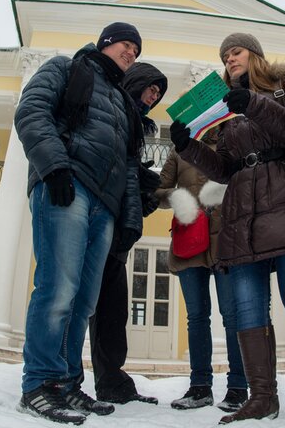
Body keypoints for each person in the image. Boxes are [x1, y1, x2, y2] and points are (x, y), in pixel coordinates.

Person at [170, 33, 285, 423]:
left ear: (254, 55)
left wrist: (256, 104)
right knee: (246, 309)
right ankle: (262, 397)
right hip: (241, 211)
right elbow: (224, 168)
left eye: (235, 51)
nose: (229, 58)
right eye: (224, 55)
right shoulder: (224, 108)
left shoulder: (284, 84)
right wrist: (188, 147)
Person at [14, 22, 145, 425]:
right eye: (126, 45)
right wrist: (54, 167)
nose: (131, 54)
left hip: (103, 206)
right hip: (67, 186)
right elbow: (32, 110)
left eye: (136, 51)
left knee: (84, 300)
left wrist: (127, 219)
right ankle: (40, 383)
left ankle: (68, 383)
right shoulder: (65, 68)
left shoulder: (123, 104)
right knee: (58, 288)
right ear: (106, 43)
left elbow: (126, 164)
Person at [89, 62, 168, 406]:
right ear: (135, 82)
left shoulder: (137, 125)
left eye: (159, 93)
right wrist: (134, 177)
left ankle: (112, 382)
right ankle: (59, 378)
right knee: (82, 303)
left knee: (113, 309)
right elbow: (109, 158)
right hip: (98, 216)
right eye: (151, 88)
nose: (154, 96)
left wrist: (141, 193)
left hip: (119, 225)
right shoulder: (116, 108)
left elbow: (125, 169)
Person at [154, 126, 248, 413]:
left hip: (227, 240)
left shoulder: (234, 143)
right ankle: (200, 386)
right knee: (196, 316)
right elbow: (159, 191)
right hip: (190, 239)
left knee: (232, 316)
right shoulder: (181, 148)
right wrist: (180, 199)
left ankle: (238, 387)